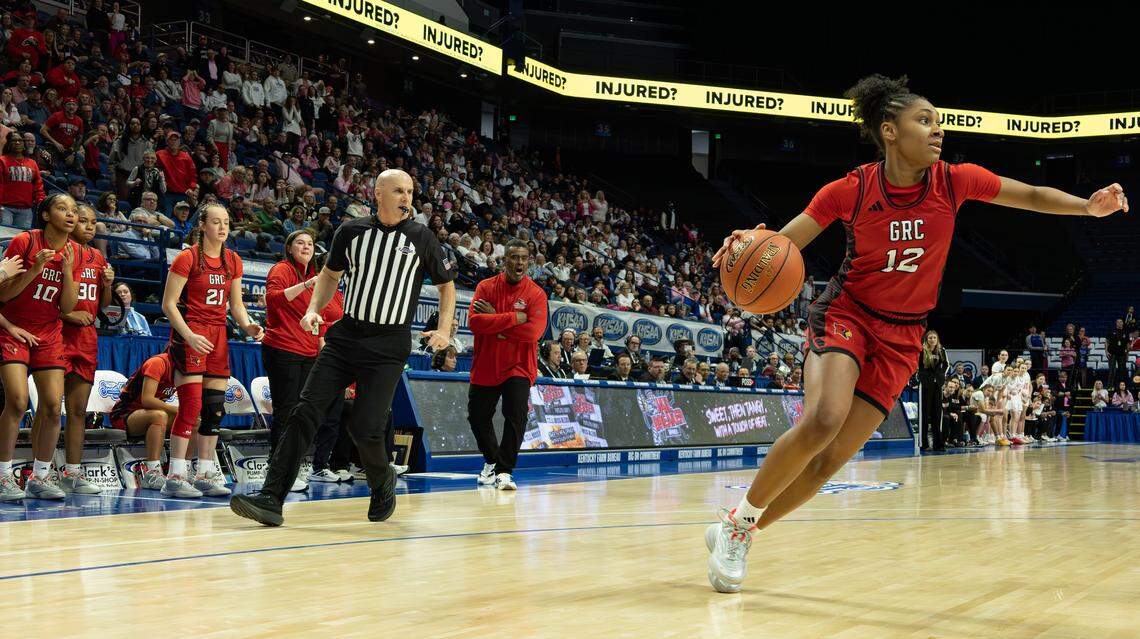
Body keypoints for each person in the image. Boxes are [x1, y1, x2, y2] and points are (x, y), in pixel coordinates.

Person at [704, 73, 1129, 593]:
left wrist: (1088, 206)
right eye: (924, 121)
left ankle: (737, 529)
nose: (937, 131)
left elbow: (1034, 195)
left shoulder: (955, 180)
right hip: (848, 312)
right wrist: (749, 243)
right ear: (889, 130)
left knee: (830, 461)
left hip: (904, 334)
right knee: (823, 420)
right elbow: (783, 246)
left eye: (939, 123)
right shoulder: (851, 189)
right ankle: (741, 524)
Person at [230, 169, 457, 526]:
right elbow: (330, 276)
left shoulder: (422, 237)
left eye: (410, 192)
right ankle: (271, 498)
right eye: (398, 190)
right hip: (346, 336)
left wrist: (444, 330)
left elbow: (447, 287)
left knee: (366, 428)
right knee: (304, 412)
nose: (406, 198)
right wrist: (312, 310)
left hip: (389, 342)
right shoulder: (350, 232)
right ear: (378, 194)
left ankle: (383, 482)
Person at [161, 203, 262, 499]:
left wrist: (247, 326)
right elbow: (168, 305)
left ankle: (205, 473)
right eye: (216, 222)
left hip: (218, 336)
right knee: (190, 409)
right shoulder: (187, 257)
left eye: (226, 222)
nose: (222, 227)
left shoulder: (233, 260)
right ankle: (175, 476)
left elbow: (236, 305)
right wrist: (189, 335)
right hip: (190, 333)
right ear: (202, 225)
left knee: (214, 411)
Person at [0, 194, 76, 500]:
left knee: (53, 408)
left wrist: (68, 269)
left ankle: (40, 477)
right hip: (13, 329)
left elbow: (68, 307)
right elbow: (4, 294)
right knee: (17, 402)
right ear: (45, 215)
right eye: (62, 209)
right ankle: (4, 476)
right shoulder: (25, 242)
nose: (71, 215)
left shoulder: (76, 252)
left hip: (49, 332)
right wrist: (34, 269)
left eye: (74, 211)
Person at [467, 240, 547, 490]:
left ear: (529, 261)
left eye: (524, 258)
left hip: (519, 365)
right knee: (477, 417)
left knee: (516, 417)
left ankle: (504, 471)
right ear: (505, 260)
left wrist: (496, 322)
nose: (519, 262)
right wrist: (515, 319)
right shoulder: (485, 287)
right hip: (486, 363)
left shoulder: (536, 293)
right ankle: (492, 460)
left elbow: (533, 333)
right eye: (514, 257)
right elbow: (475, 323)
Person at [58, 204, 114, 494]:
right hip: (58, 334)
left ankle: (73, 473)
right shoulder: (62, 250)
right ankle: (40, 472)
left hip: (86, 338)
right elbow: (45, 298)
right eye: (83, 221)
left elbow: (101, 305)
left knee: (78, 410)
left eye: (93, 222)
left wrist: (107, 285)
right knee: (50, 408)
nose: (89, 226)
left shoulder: (98, 256)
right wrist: (68, 315)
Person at [109, 352, 179, 489]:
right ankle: (152, 473)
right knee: (159, 416)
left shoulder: (186, 369)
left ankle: (182, 471)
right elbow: (147, 400)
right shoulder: (158, 363)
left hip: (150, 413)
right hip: (125, 414)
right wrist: (177, 410)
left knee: (194, 421)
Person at [916, 330, 948, 451]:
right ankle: (923, 444)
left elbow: (946, 365)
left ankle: (938, 444)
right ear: (926, 339)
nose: (932, 339)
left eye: (934, 337)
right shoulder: (921, 350)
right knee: (924, 414)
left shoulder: (941, 350)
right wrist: (922, 377)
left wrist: (940, 377)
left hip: (937, 385)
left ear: (937, 339)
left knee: (937, 414)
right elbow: (916, 365)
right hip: (925, 384)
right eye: (930, 338)